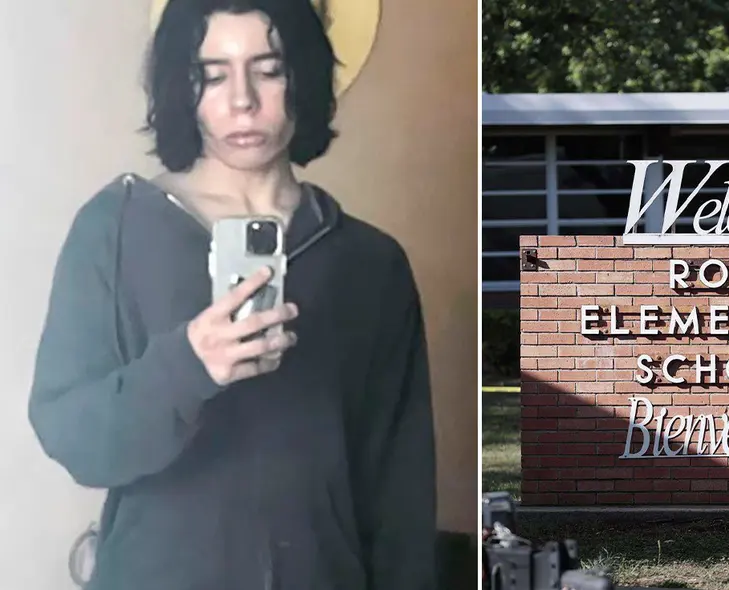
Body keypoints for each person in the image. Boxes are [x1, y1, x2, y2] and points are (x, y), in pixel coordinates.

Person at [27, 0, 437, 588]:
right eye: (213, 75)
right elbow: (75, 441)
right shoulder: (114, 229)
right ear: (182, 85)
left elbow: (400, 493)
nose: (242, 100)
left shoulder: (371, 264)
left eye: (269, 70)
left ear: (304, 76)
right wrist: (186, 366)